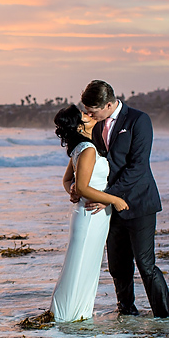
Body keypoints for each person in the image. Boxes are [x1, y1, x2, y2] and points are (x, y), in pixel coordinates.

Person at [80, 80, 169, 318]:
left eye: (93, 110)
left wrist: (109, 196)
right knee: (118, 265)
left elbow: (138, 167)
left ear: (109, 104)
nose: (88, 114)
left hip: (140, 202)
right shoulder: (96, 125)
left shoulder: (139, 120)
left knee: (146, 265)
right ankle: (127, 311)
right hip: (112, 206)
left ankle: (164, 317)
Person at [50, 105, 129, 322]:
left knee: (84, 265)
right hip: (89, 216)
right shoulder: (87, 149)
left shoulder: (82, 148)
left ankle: (75, 314)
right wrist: (114, 200)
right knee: (81, 265)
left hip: (88, 214)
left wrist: (72, 191)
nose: (89, 115)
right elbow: (82, 187)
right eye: (84, 115)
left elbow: (68, 182)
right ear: (78, 125)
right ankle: (69, 315)